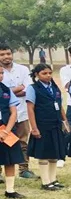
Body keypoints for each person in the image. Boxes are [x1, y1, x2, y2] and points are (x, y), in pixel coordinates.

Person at [26, 64, 70, 191]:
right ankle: (45, 182)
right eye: (44, 73)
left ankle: (53, 179)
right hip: (42, 125)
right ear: (37, 75)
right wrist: (34, 128)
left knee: (54, 154)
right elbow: (30, 109)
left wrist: (65, 123)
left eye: (50, 73)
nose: (48, 75)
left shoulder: (55, 88)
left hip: (55, 124)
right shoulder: (33, 88)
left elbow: (60, 106)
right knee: (44, 154)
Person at [0, 43, 36, 179]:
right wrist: (16, 89)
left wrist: (9, 92)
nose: (6, 57)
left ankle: (24, 169)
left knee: (22, 141)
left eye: (8, 53)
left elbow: (28, 88)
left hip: (21, 111)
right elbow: (8, 92)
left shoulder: (22, 69)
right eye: (2, 54)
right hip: (3, 115)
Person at [0, 66, 26, 199]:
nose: (0, 75)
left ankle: (10, 190)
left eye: (1, 73)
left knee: (10, 160)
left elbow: (13, 112)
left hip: (6, 129)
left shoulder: (6, 90)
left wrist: (6, 131)